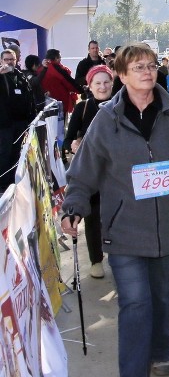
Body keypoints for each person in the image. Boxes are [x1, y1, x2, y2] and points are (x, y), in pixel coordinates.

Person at [60, 43, 169, 377]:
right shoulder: (105, 119)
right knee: (135, 302)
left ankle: (161, 350)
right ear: (122, 75)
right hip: (124, 229)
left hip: (168, 227)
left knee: (160, 296)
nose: (147, 71)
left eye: (151, 65)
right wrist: (74, 206)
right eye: (137, 67)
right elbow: (84, 169)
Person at [63, 65, 115, 278]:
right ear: (90, 86)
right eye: (98, 83)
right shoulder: (83, 107)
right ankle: (96, 260)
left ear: (112, 84)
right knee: (93, 217)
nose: (102, 87)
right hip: (91, 172)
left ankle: (118, 253)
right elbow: (67, 140)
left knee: (116, 215)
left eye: (106, 82)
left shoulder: (121, 106)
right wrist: (73, 145)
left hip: (116, 172)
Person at [0, 49, 36, 190]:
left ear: (16, 60)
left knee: (17, 152)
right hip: (4, 124)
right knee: (4, 152)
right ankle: (2, 183)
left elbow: (29, 96)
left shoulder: (20, 75)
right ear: (2, 60)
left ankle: (13, 181)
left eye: (12, 59)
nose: (9, 62)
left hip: (21, 122)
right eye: (6, 59)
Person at [39, 49, 83, 118]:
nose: (60, 59)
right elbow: (69, 83)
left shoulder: (40, 69)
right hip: (60, 103)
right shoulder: (58, 69)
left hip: (44, 104)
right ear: (56, 58)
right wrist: (81, 90)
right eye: (59, 57)